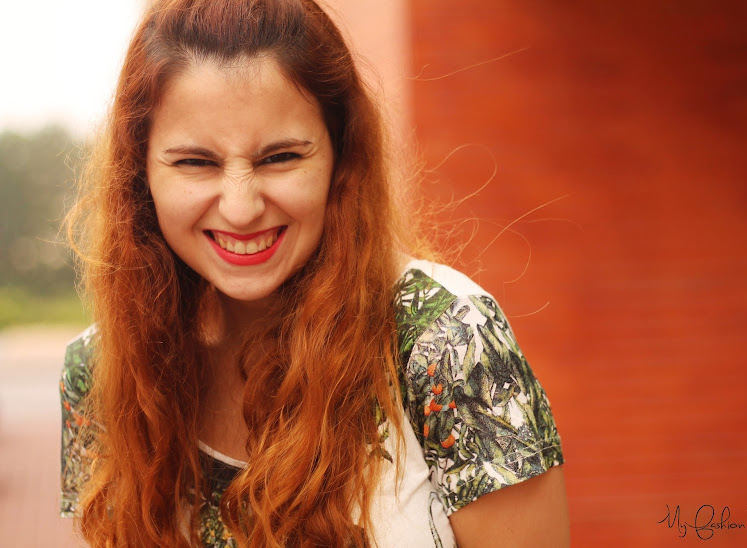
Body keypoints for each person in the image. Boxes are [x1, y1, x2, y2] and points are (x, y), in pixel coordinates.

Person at [60, 0, 568, 546]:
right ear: (140, 173)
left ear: (340, 157)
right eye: (196, 162)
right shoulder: (100, 372)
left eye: (279, 157)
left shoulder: (449, 338)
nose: (240, 208)